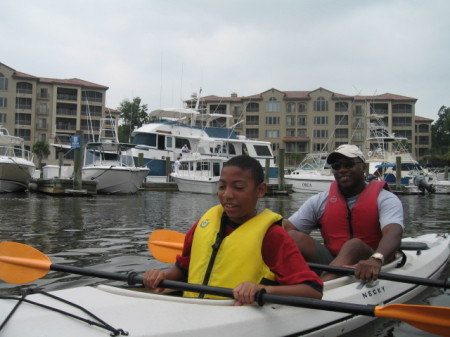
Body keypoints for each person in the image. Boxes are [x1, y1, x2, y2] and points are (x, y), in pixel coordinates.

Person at [144, 155, 323, 304]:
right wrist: (162, 275)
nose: (227, 194)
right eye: (222, 186)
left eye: (238, 187)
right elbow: (183, 268)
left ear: (260, 190)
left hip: (234, 315)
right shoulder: (203, 224)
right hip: (192, 309)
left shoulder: (272, 236)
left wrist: (263, 289)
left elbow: (313, 290)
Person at [284, 144, 404, 282]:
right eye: (336, 166)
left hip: (371, 260)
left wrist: (376, 259)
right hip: (333, 260)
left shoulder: (385, 199)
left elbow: (393, 232)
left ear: (363, 167)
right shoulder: (320, 201)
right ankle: (281, 282)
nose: (342, 170)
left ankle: (321, 288)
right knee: (292, 236)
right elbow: (288, 229)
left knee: (354, 245)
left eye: (348, 164)